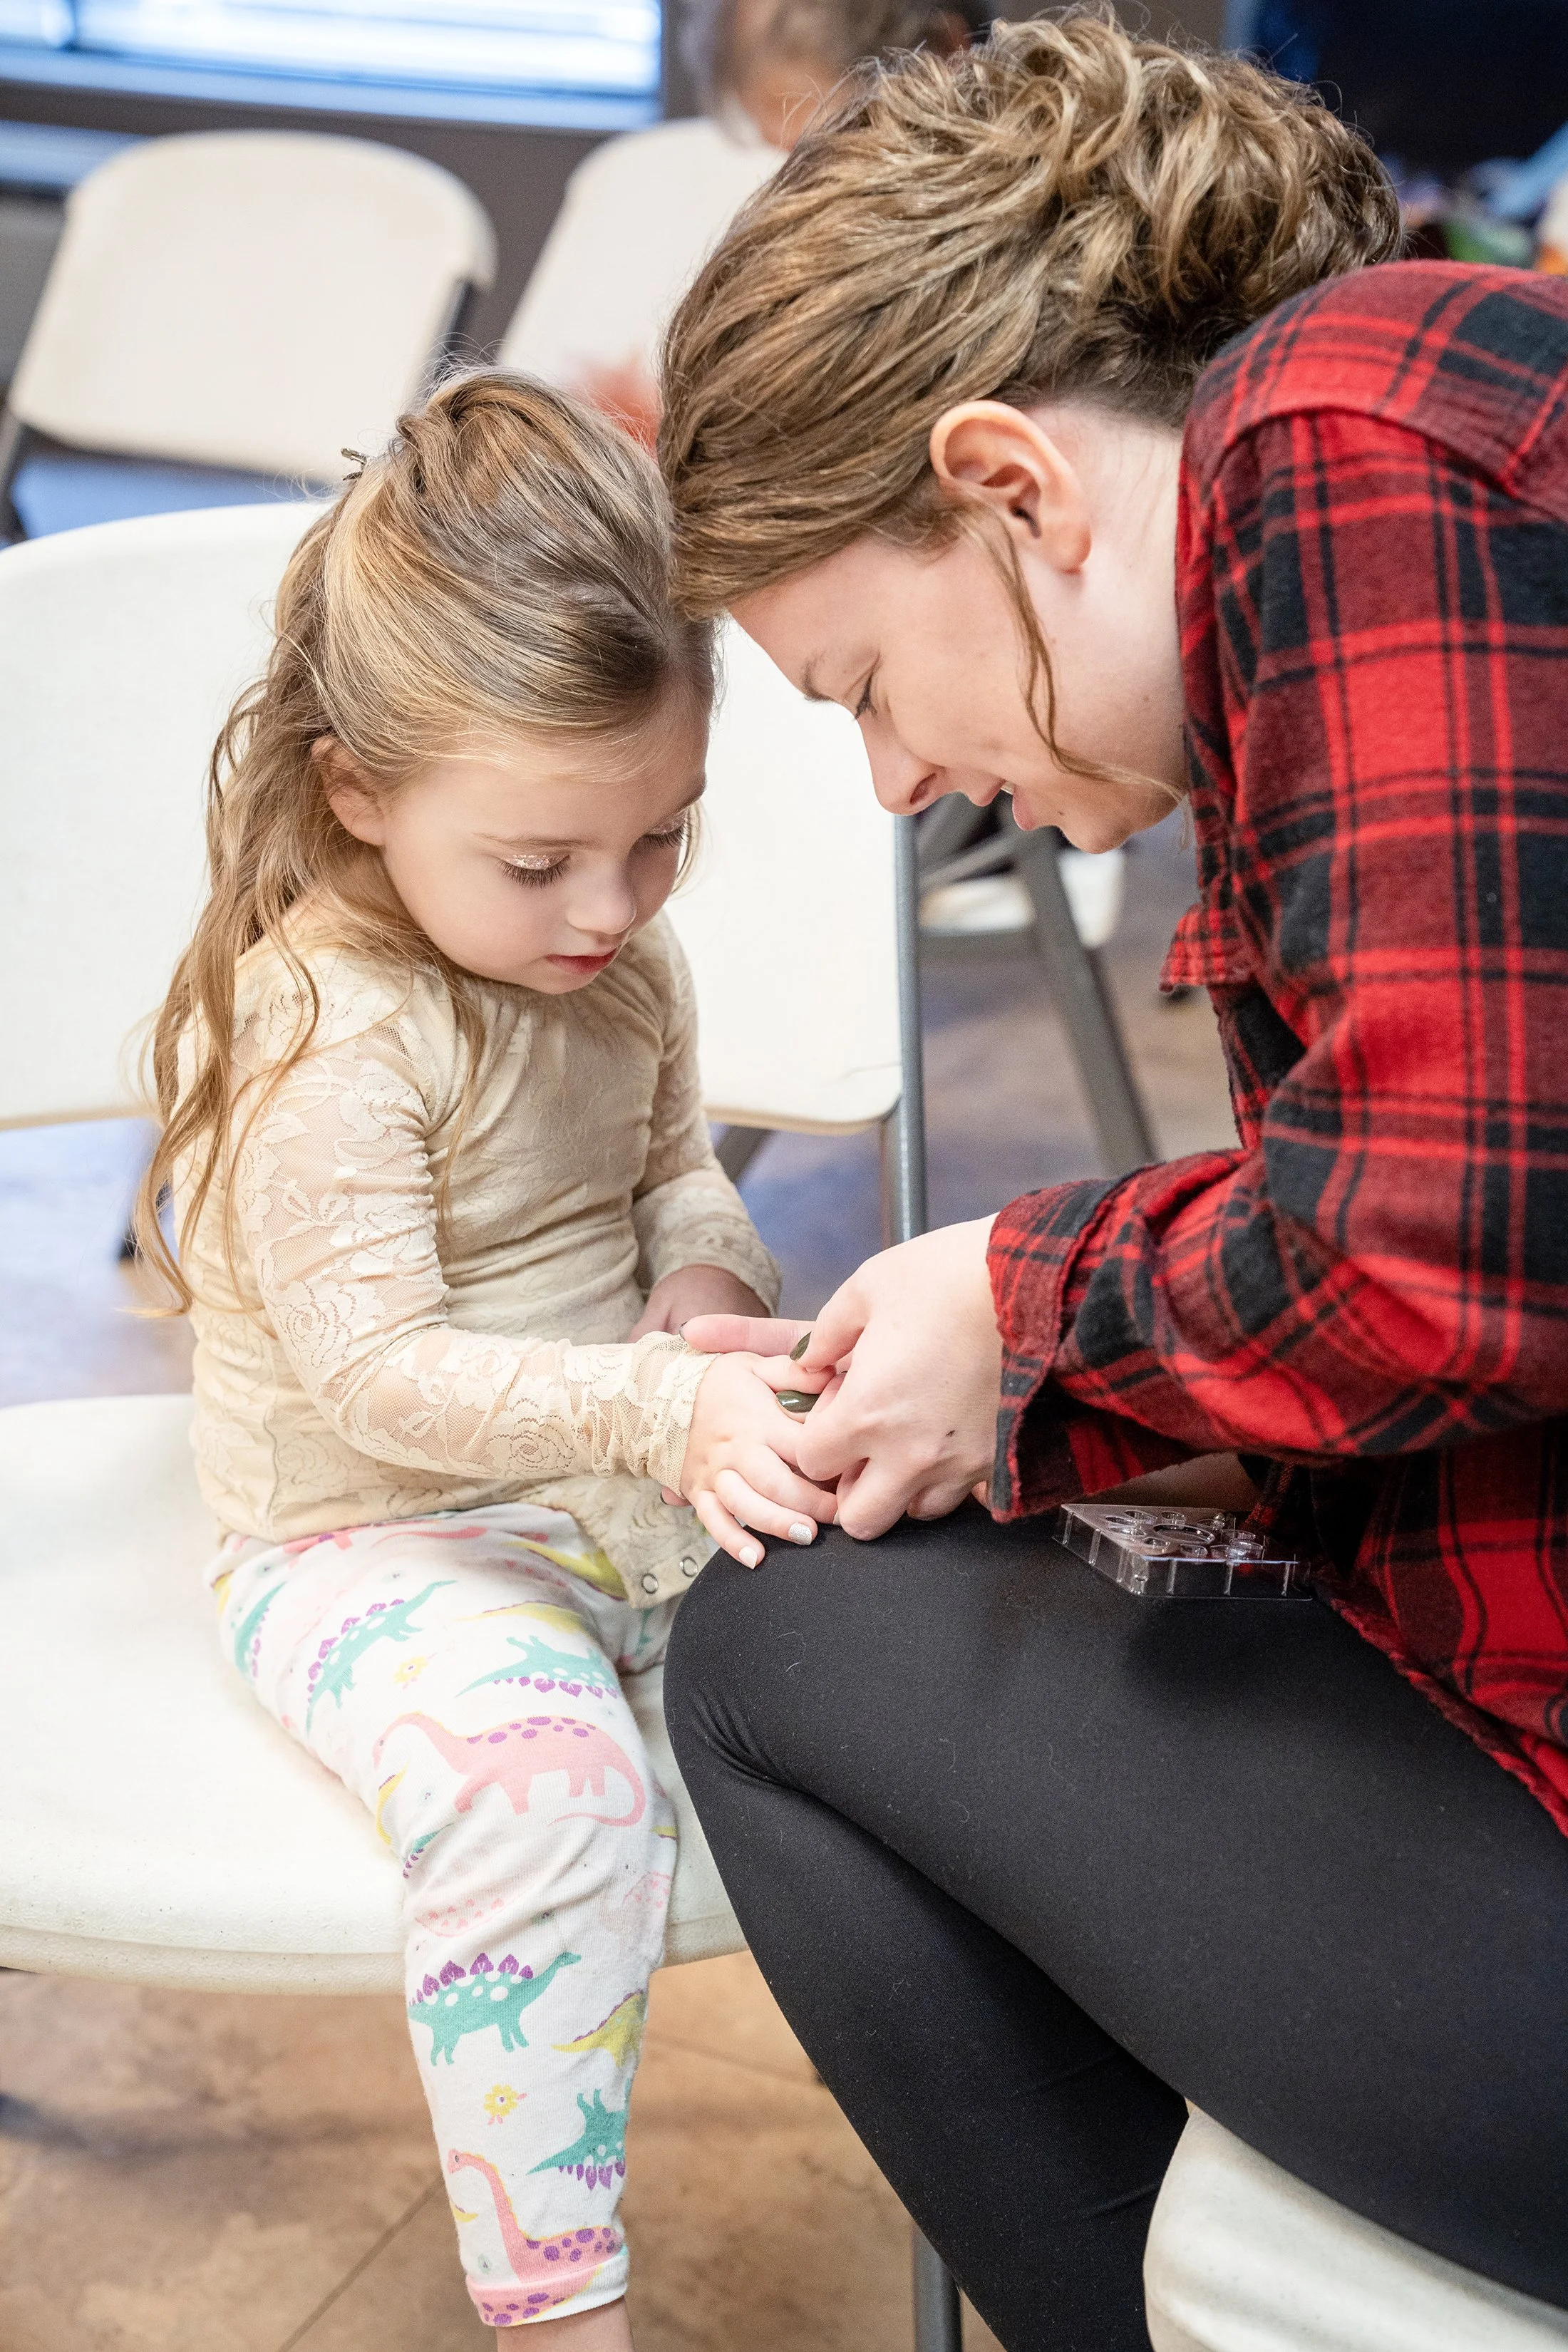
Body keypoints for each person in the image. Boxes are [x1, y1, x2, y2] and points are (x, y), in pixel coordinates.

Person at [654, 15, 1568, 2349]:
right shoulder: (1409, 487)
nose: (885, 780)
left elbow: (1437, 1254)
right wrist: (1031, 1384)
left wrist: (1022, 1291)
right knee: (885, 1574)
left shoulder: (1342, 419)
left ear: (1016, 487)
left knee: (772, 1650)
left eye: (864, 675)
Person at [134, 371, 835, 2347]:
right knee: (543, 1795)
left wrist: (704, 1293)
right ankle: (556, 2311)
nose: (610, 911)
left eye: (663, 839)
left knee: (932, 1623)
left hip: (621, 1477)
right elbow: (378, 1375)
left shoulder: (620, 951)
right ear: (358, 784)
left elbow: (677, 1171)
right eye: (540, 862)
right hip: (373, 1536)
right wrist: (657, 1400)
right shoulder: (333, 1027)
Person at [500, 0, 989, 447]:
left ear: (948, 57)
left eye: (828, 148)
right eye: (775, 148)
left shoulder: (982, 254)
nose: (797, 184)